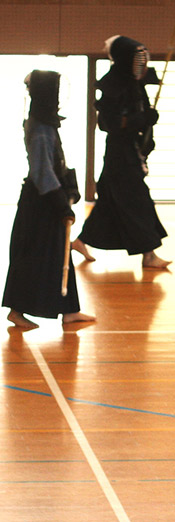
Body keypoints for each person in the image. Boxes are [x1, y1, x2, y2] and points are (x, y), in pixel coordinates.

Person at [3, 70, 95, 329]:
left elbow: (57, 165)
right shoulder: (41, 127)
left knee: (59, 253)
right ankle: (17, 310)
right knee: (34, 255)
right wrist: (60, 203)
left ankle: (69, 310)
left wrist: (70, 189)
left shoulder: (45, 123)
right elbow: (42, 171)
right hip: (41, 202)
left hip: (46, 198)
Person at [71, 35, 171, 269]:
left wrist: (146, 124)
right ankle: (149, 254)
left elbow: (139, 114)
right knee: (138, 201)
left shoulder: (135, 82)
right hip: (119, 154)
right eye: (137, 59)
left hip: (130, 150)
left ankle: (80, 241)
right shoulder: (113, 83)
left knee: (109, 203)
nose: (142, 64)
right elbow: (108, 123)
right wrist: (140, 119)